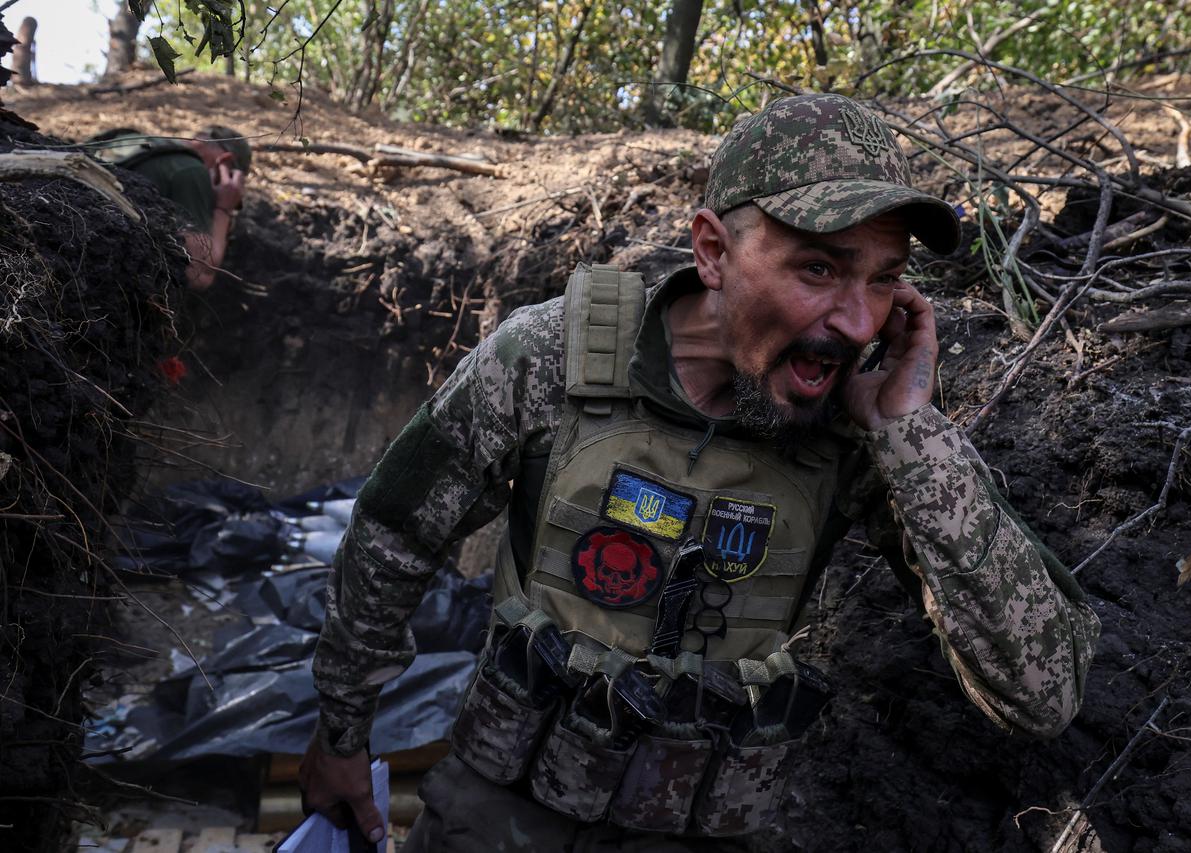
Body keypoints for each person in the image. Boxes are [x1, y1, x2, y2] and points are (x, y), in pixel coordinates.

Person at [298, 93, 1101, 851]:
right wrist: (341, 730)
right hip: (500, 811)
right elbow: (395, 535)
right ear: (713, 250)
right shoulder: (547, 358)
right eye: (819, 269)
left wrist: (911, 437)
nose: (859, 321)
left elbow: (1042, 695)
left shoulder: (866, 424)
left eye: (885, 277)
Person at [91, 125, 250, 290]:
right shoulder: (192, 169)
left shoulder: (139, 144)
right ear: (225, 162)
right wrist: (224, 209)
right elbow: (198, 276)